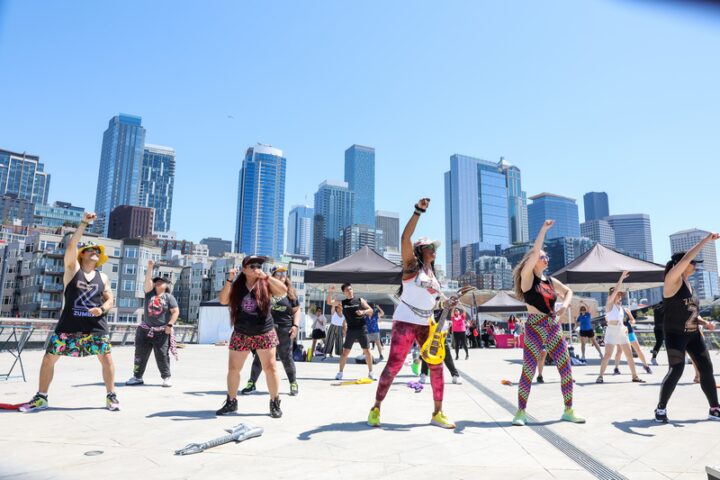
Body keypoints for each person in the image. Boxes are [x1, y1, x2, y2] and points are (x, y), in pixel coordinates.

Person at [368, 198, 455, 429]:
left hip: (426, 324)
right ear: (420, 250)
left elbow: (435, 301)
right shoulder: (411, 266)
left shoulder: (433, 275)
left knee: (436, 366)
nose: (434, 251)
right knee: (394, 366)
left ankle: (437, 413)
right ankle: (376, 408)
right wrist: (418, 212)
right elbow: (404, 238)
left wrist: (448, 303)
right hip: (405, 322)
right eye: (430, 247)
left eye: (435, 248)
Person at [20, 212, 118, 413]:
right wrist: (84, 223)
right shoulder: (72, 269)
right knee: (49, 358)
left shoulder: (103, 277)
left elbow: (110, 299)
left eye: (97, 250)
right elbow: (72, 245)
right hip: (69, 325)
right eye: (90, 249)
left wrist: (103, 308)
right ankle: (41, 397)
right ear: (82, 254)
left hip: (95, 326)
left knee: (106, 357)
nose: (94, 252)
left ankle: (111, 396)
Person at [511, 219, 584, 426]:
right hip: (534, 326)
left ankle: (568, 410)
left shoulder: (550, 281)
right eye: (543, 256)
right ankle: (520, 412)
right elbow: (534, 253)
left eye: (546, 256)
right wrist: (543, 230)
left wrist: (564, 306)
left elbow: (568, 291)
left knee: (566, 367)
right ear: (534, 261)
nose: (545, 258)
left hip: (553, 327)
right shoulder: (527, 279)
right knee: (528, 370)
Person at [655, 234, 720, 423]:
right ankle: (661, 408)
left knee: (706, 368)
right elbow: (684, 260)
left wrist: (704, 323)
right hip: (675, 335)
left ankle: (714, 409)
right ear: (680, 265)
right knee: (677, 370)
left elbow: (691, 313)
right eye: (693, 262)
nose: (695, 265)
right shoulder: (672, 281)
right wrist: (705, 241)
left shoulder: (690, 285)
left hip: (693, 335)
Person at [215, 256, 287, 418]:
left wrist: (267, 276)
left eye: (259, 265)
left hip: (264, 331)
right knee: (233, 369)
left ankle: (274, 402)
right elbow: (223, 300)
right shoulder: (237, 286)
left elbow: (283, 291)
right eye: (252, 265)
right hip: (241, 332)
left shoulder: (266, 282)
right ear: (244, 269)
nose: (257, 267)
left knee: (271, 368)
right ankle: (231, 402)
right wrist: (229, 280)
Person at [241, 266, 301, 396]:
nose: (282, 275)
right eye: (278, 273)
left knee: (286, 357)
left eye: (284, 273)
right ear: (273, 276)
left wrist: (295, 326)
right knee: (260, 357)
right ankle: (251, 383)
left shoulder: (290, 293)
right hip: (267, 329)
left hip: (285, 329)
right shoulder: (265, 289)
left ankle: (293, 383)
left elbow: (296, 310)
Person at [126, 260, 179, 387]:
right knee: (140, 354)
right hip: (144, 330)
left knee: (162, 355)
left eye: (161, 281)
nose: (158, 282)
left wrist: (170, 325)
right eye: (157, 281)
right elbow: (147, 282)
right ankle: (137, 377)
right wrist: (150, 267)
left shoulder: (169, 297)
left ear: (166, 285)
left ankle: (166, 377)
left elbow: (175, 312)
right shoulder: (149, 293)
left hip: (161, 332)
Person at [596, 273, 645, 384]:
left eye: (620, 295)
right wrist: (622, 278)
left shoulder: (622, 308)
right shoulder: (609, 304)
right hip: (611, 331)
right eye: (617, 294)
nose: (619, 296)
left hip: (621, 331)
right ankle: (600, 376)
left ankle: (634, 376)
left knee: (629, 355)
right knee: (608, 355)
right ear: (613, 295)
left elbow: (623, 320)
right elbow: (616, 290)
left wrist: (625, 328)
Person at [327, 283, 375, 380]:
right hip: (351, 329)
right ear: (344, 292)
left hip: (362, 328)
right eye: (347, 290)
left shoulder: (360, 300)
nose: (349, 291)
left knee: (367, 351)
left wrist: (363, 312)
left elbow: (371, 310)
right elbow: (329, 302)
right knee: (345, 352)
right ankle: (340, 373)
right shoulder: (342, 302)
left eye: (350, 289)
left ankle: (371, 373)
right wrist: (331, 291)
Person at [420, 309, 462, 384]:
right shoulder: (428, 309)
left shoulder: (443, 310)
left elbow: (449, 309)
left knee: (447, 357)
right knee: (425, 356)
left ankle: (455, 375)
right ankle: (423, 374)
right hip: (429, 336)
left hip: (441, 337)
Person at [612, 310, 652, 375]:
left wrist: (631, 321)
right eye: (618, 300)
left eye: (620, 300)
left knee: (638, 349)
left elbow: (633, 320)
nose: (619, 301)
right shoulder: (613, 311)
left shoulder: (626, 310)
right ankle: (616, 368)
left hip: (630, 332)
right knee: (619, 351)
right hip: (620, 333)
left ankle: (646, 366)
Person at [649, 302, 664, 366]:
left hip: (666, 329)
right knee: (659, 343)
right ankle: (653, 358)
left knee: (672, 343)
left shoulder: (667, 307)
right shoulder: (658, 308)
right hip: (659, 329)